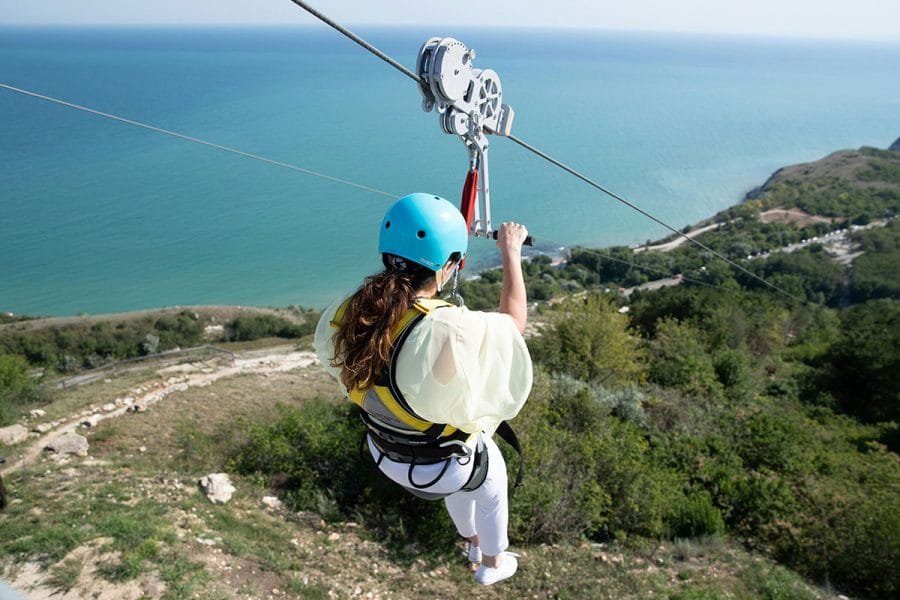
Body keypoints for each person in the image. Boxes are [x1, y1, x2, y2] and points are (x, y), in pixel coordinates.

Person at [314, 192, 533, 586]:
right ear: (450, 266)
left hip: (385, 452)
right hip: (437, 466)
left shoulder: (352, 310)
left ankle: (469, 540)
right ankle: (492, 562)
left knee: (466, 472)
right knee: (489, 475)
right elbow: (513, 324)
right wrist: (510, 252)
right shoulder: (444, 328)